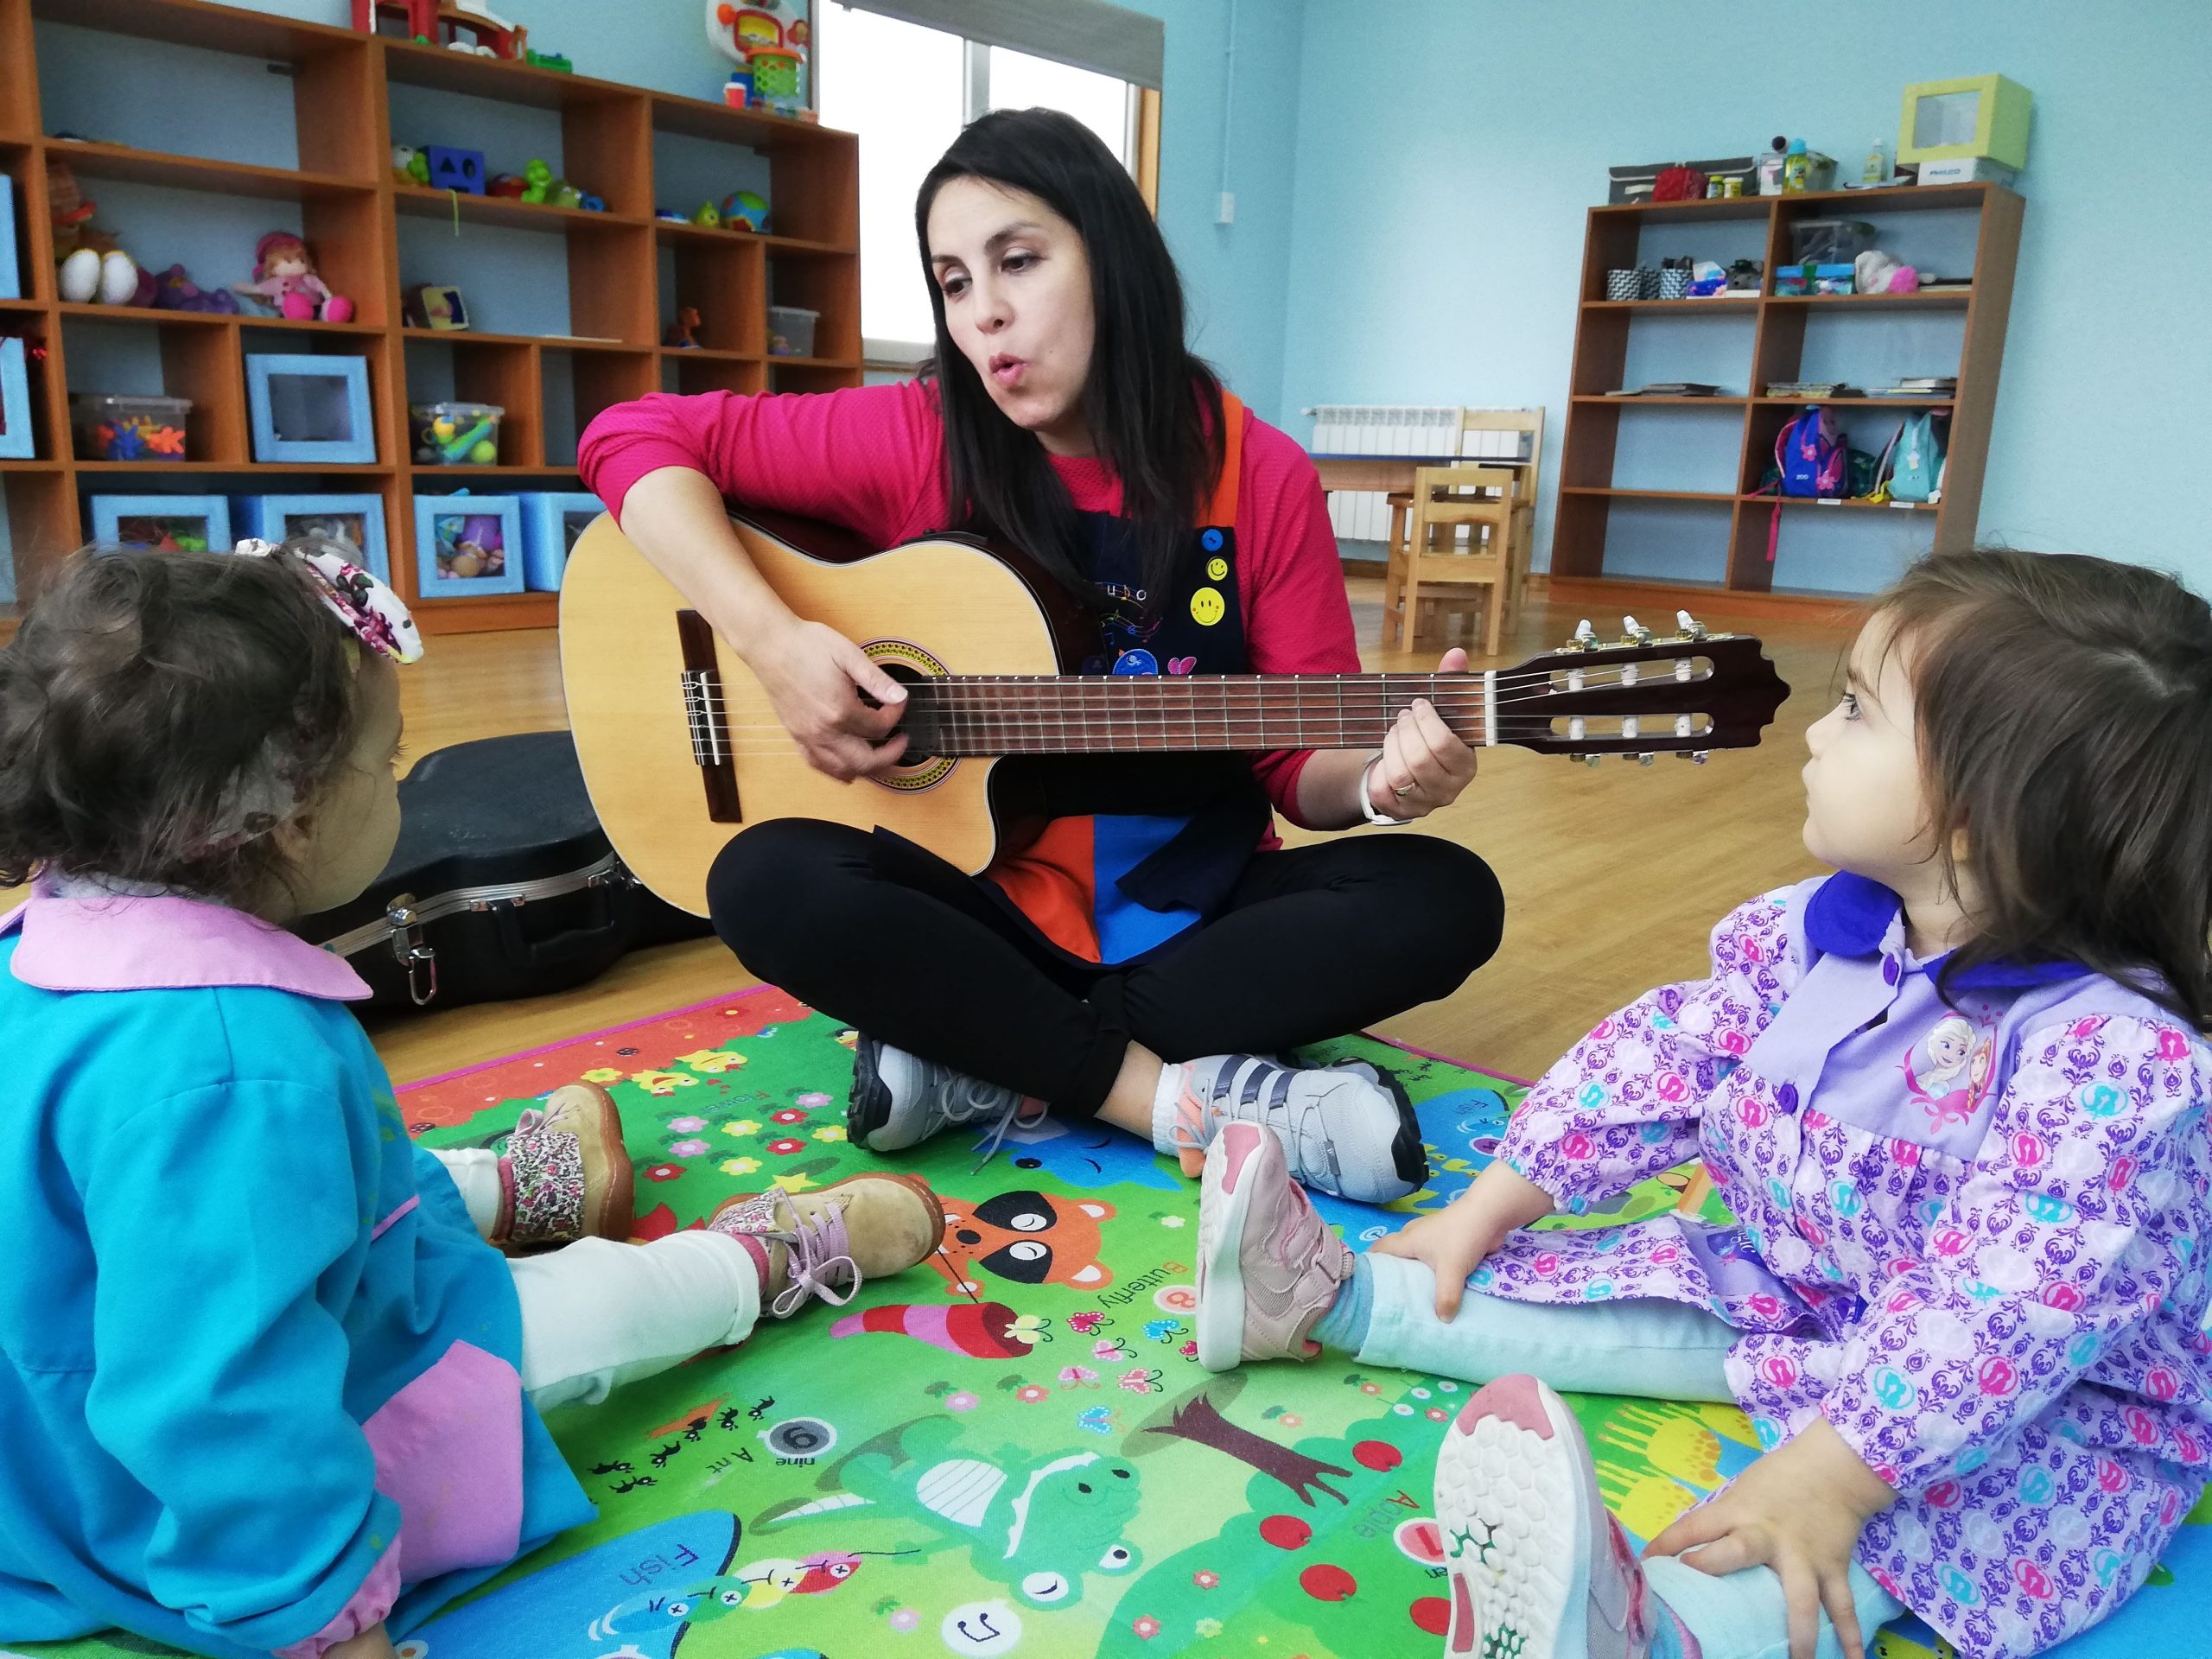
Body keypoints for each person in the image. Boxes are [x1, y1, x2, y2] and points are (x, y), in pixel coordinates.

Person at [1193, 548, 2212, 1659]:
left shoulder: (2115, 1061)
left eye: (1859, 712)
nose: (1817, 735)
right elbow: (1659, 1061)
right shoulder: (1826, 927)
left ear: (1977, 815)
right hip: (1807, 1288)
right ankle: (1331, 1302)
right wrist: (1487, 1206)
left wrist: (1832, 1471)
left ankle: (1657, 1633)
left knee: (1929, 1519)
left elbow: (2005, 1313)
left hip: (2038, 1399)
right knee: (1636, 1273)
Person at [0, 543, 944, 1659]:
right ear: (291, 821)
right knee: (608, 1308)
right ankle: (758, 1258)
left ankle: (518, 1185)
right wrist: (324, 1622)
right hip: (176, 1482)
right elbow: (224, 1403)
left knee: (328, 1181)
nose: (401, 782)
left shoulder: (48, 945)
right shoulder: (232, 1067)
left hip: (58, 1424)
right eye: (387, 763)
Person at [579, 109, 1503, 1205]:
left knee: (1446, 897)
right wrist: (772, 641)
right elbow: (630, 435)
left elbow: (1299, 770)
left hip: (1187, 908)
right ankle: (1172, 1100)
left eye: (1018, 260)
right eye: (954, 283)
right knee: (765, 879)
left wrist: (1388, 784)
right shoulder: (922, 433)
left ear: (1111, 255)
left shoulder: (1261, 476)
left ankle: (977, 1047)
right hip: (977, 899)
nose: (987, 315)